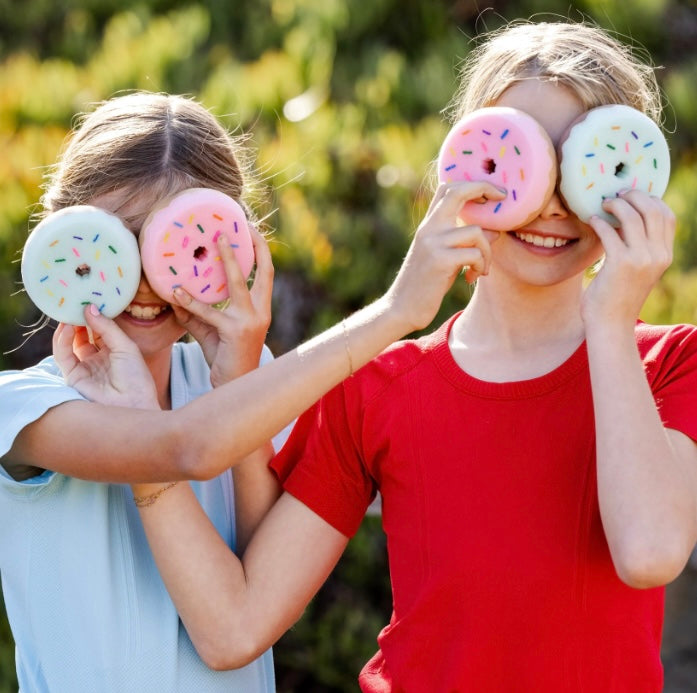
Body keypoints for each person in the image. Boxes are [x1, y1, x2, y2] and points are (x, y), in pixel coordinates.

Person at [116, 20, 697, 692]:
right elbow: (236, 625)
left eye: (588, 165)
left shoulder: (671, 362)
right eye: (519, 160)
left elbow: (650, 552)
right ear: (458, 164)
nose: (551, 205)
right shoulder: (376, 388)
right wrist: (152, 428)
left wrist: (609, 317)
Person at [0, 91, 495, 691]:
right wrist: (393, 313)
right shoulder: (24, 409)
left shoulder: (236, 388)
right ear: (61, 238)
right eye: (115, 243)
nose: (147, 282)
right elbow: (184, 448)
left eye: (179, 247)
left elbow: (254, 601)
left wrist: (239, 375)